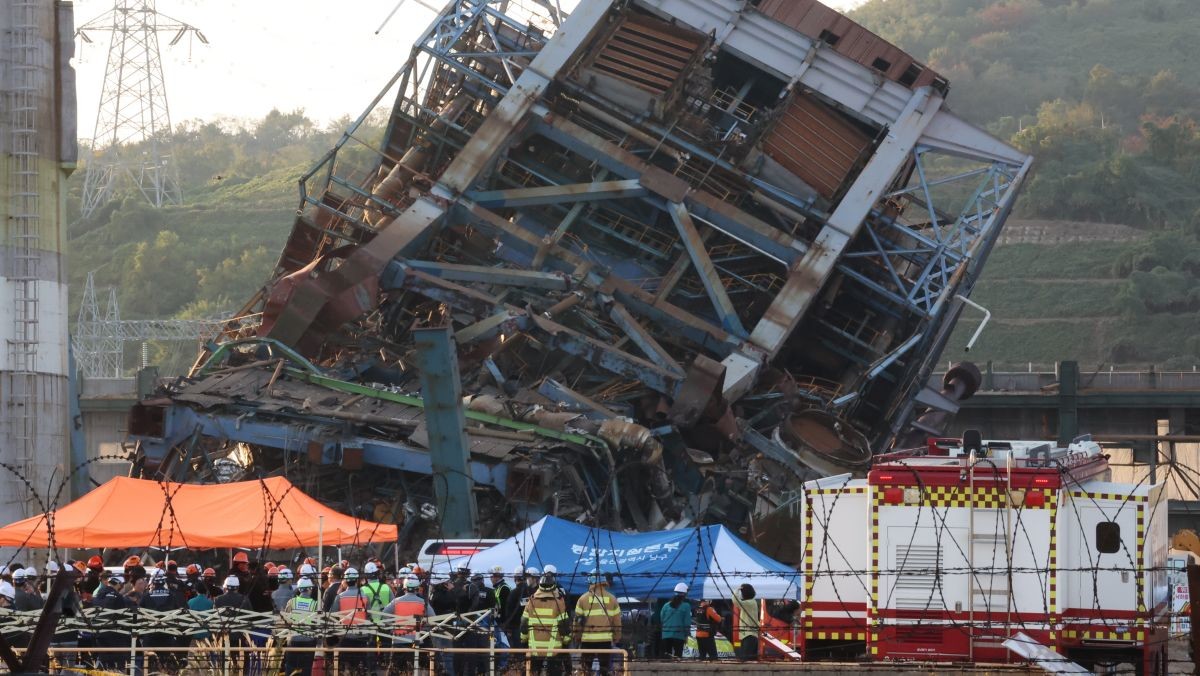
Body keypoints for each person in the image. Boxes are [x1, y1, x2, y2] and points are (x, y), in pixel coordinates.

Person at [572, 570, 621, 676]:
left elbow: (577, 622)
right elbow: (617, 622)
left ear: (590, 581)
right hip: (605, 640)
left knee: (586, 670)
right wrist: (616, 637)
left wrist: (577, 636)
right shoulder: (612, 599)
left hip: (587, 640)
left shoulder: (582, 599)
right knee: (604, 669)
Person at [521, 573, 569, 676]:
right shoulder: (559, 602)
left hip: (534, 647)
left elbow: (524, 624)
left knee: (532, 672)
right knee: (554, 672)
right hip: (554, 648)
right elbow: (564, 626)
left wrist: (524, 639)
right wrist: (566, 641)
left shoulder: (531, 601)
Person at [383, 577, 432, 672]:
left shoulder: (396, 601)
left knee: (397, 668)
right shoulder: (423, 602)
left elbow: (385, 614)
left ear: (404, 588)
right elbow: (432, 617)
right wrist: (424, 628)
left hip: (399, 639)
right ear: (417, 588)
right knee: (416, 667)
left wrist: (392, 627)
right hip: (417, 639)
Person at [280, 576, 320, 676]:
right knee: (306, 668)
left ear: (299, 589)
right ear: (310, 588)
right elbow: (317, 624)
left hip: (293, 640)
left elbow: (286, 620)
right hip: (309, 640)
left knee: (291, 667)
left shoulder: (292, 602)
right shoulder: (315, 604)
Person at [335, 567, 372, 674]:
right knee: (360, 662)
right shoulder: (365, 596)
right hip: (362, 635)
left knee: (346, 663)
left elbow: (332, 614)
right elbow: (369, 615)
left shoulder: (340, 597)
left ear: (345, 581)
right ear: (357, 581)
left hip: (345, 635)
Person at [659, 583, 692, 659]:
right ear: (684, 594)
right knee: (678, 657)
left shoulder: (666, 605)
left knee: (667, 657)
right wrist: (686, 635)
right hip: (679, 636)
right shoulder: (686, 606)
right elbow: (687, 622)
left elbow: (662, 619)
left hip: (666, 635)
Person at [732, 583, 759, 661]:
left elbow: (735, 601)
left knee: (745, 659)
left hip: (748, 634)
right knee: (750, 659)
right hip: (749, 634)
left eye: (742, 592)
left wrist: (737, 590)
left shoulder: (749, 603)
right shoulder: (752, 602)